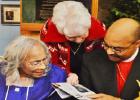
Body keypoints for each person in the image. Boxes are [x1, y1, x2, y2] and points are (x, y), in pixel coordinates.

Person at [40, 1, 106, 84]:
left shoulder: (99, 30)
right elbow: (50, 62)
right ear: (61, 31)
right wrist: (67, 74)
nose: (78, 41)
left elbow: (102, 60)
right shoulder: (48, 31)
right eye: (72, 37)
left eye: (83, 35)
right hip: (62, 78)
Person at [80, 18, 140, 99]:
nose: (109, 52)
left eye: (117, 49)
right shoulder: (91, 60)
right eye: (106, 45)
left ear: (137, 44)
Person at [0, 36, 67, 100]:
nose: (43, 67)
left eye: (44, 59)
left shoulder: (57, 75)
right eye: (35, 63)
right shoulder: (2, 74)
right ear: (18, 62)